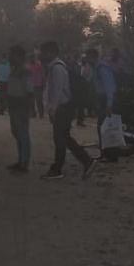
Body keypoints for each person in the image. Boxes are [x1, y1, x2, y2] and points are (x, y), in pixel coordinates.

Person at [39, 41, 97, 180]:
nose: (41, 55)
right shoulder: (55, 67)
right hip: (63, 108)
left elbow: (57, 92)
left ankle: (59, 168)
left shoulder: (57, 68)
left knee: (61, 139)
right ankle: (85, 161)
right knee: (64, 138)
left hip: (62, 108)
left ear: (51, 52)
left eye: (43, 52)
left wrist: (52, 110)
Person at [85, 48, 119, 162]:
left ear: (93, 56)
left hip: (106, 100)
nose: (87, 59)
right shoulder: (96, 68)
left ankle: (110, 155)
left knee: (106, 128)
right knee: (104, 128)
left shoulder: (102, 68)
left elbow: (110, 87)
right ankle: (106, 154)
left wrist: (109, 104)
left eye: (88, 57)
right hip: (102, 99)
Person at [6, 45, 33, 174]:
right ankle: (21, 160)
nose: (10, 57)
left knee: (23, 134)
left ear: (20, 57)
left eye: (13, 55)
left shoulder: (25, 71)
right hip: (14, 105)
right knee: (17, 133)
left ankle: (24, 162)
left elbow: (29, 90)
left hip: (21, 105)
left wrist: (28, 106)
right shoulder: (15, 69)